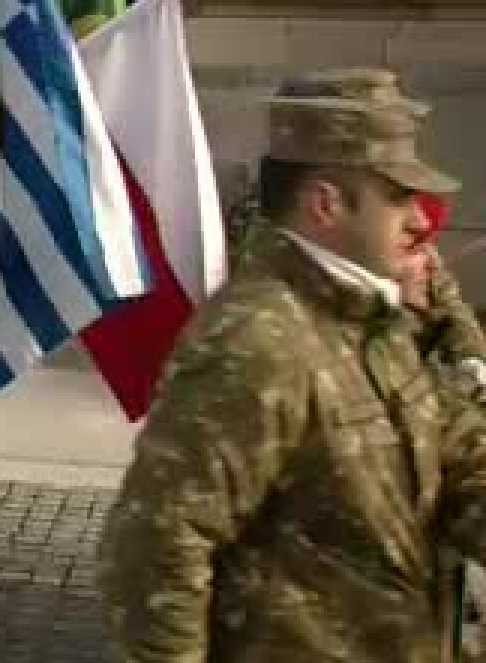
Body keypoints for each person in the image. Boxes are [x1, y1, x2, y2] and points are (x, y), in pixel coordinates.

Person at [100, 72, 486, 661]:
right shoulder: (256, 340)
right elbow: (157, 544)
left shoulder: (371, 316)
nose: (420, 222)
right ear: (325, 204)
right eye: (399, 199)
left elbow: (449, 452)